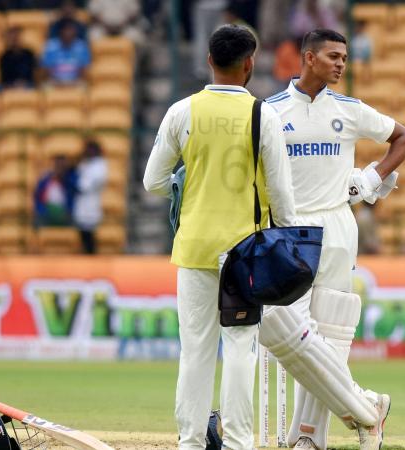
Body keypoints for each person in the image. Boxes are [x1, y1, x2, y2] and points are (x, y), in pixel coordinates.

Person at [142, 24, 297, 450]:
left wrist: (186, 179)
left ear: (209, 60)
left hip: (193, 247)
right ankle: (239, 442)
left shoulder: (182, 111)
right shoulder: (264, 115)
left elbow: (152, 181)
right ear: (250, 64)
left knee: (194, 352)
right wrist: (285, 239)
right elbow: (282, 195)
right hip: (245, 252)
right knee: (240, 349)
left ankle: (191, 442)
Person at [264, 29, 405, 450]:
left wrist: (371, 177)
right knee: (284, 330)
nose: (341, 64)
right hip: (289, 229)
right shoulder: (271, 111)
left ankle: (308, 438)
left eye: (344, 58)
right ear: (308, 57)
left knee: (330, 335)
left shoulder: (349, 110)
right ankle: (367, 407)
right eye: (333, 56)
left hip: (336, 227)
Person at [73, 140, 107, 254]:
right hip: (82, 202)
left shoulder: (100, 164)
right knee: (82, 232)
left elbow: (87, 184)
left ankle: (91, 256)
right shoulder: (85, 163)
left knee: (89, 233)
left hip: (91, 201)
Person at [41, 18, 91, 85]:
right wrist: (57, 82)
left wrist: (74, 82)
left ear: (75, 32)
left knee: (83, 86)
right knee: (45, 87)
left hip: (76, 81)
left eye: (70, 30)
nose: (68, 33)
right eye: (66, 30)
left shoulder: (81, 46)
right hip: (54, 81)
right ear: (61, 31)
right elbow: (46, 69)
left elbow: (84, 69)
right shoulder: (51, 46)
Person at [34, 154, 77, 227]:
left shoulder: (70, 179)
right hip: (47, 213)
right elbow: (37, 196)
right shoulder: (46, 179)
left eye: (62, 165)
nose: (59, 167)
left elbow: (74, 193)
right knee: (38, 222)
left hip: (66, 214)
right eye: (58, 164)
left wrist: (64, 178)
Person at [0, 26, 37, 90]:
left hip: (27, 84)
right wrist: (13, 85)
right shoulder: (4, 57)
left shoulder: (29, 54)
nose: (15, 40)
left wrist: (22, 83)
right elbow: (4, 78)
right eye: (12, 38)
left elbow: (34, 73)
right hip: (10, 85)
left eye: (17, 37)